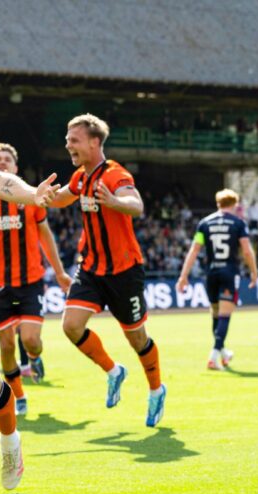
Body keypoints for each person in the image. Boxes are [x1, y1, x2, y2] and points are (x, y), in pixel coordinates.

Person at [48, 114, 166, 427]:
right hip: (90, 268)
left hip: (124, 271)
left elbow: (136, 205)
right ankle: (114, 371)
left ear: (94, 142)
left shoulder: (115, 174)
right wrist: (39, 196)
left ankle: (156, 390)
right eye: (67, 139)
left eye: (74, 140)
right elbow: (61, 199)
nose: (68, 145)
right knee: (71, 326)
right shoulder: (80, 177)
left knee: (137, 339)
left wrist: (113, 200)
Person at [0, 157, 58, 490]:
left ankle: (10, 444)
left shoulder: (2, 186)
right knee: (7, 346)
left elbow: (3, 182)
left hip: (19, 284)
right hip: (3, 287)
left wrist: (33, 194)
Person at [0, 143, 72, 416]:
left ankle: (35, 358)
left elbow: (45, 235)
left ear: (15, 168)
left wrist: (59, 272)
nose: (2, 162)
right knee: (5, 344)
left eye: (7, 160)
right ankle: (19, 395)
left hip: (30, 281)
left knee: (30, 340)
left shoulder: (29, 200)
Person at [177, 189, 257, 370]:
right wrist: (254, 271)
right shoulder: (238, 223)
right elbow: (246, 250)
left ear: (218, 204)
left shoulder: (204, 223)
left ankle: (223, 353)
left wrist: (183, 276)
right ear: (234, 205)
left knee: (215, 314)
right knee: (225, 315)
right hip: (230, 272)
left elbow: (194, 250)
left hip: (211, 273)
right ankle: (213, 355)